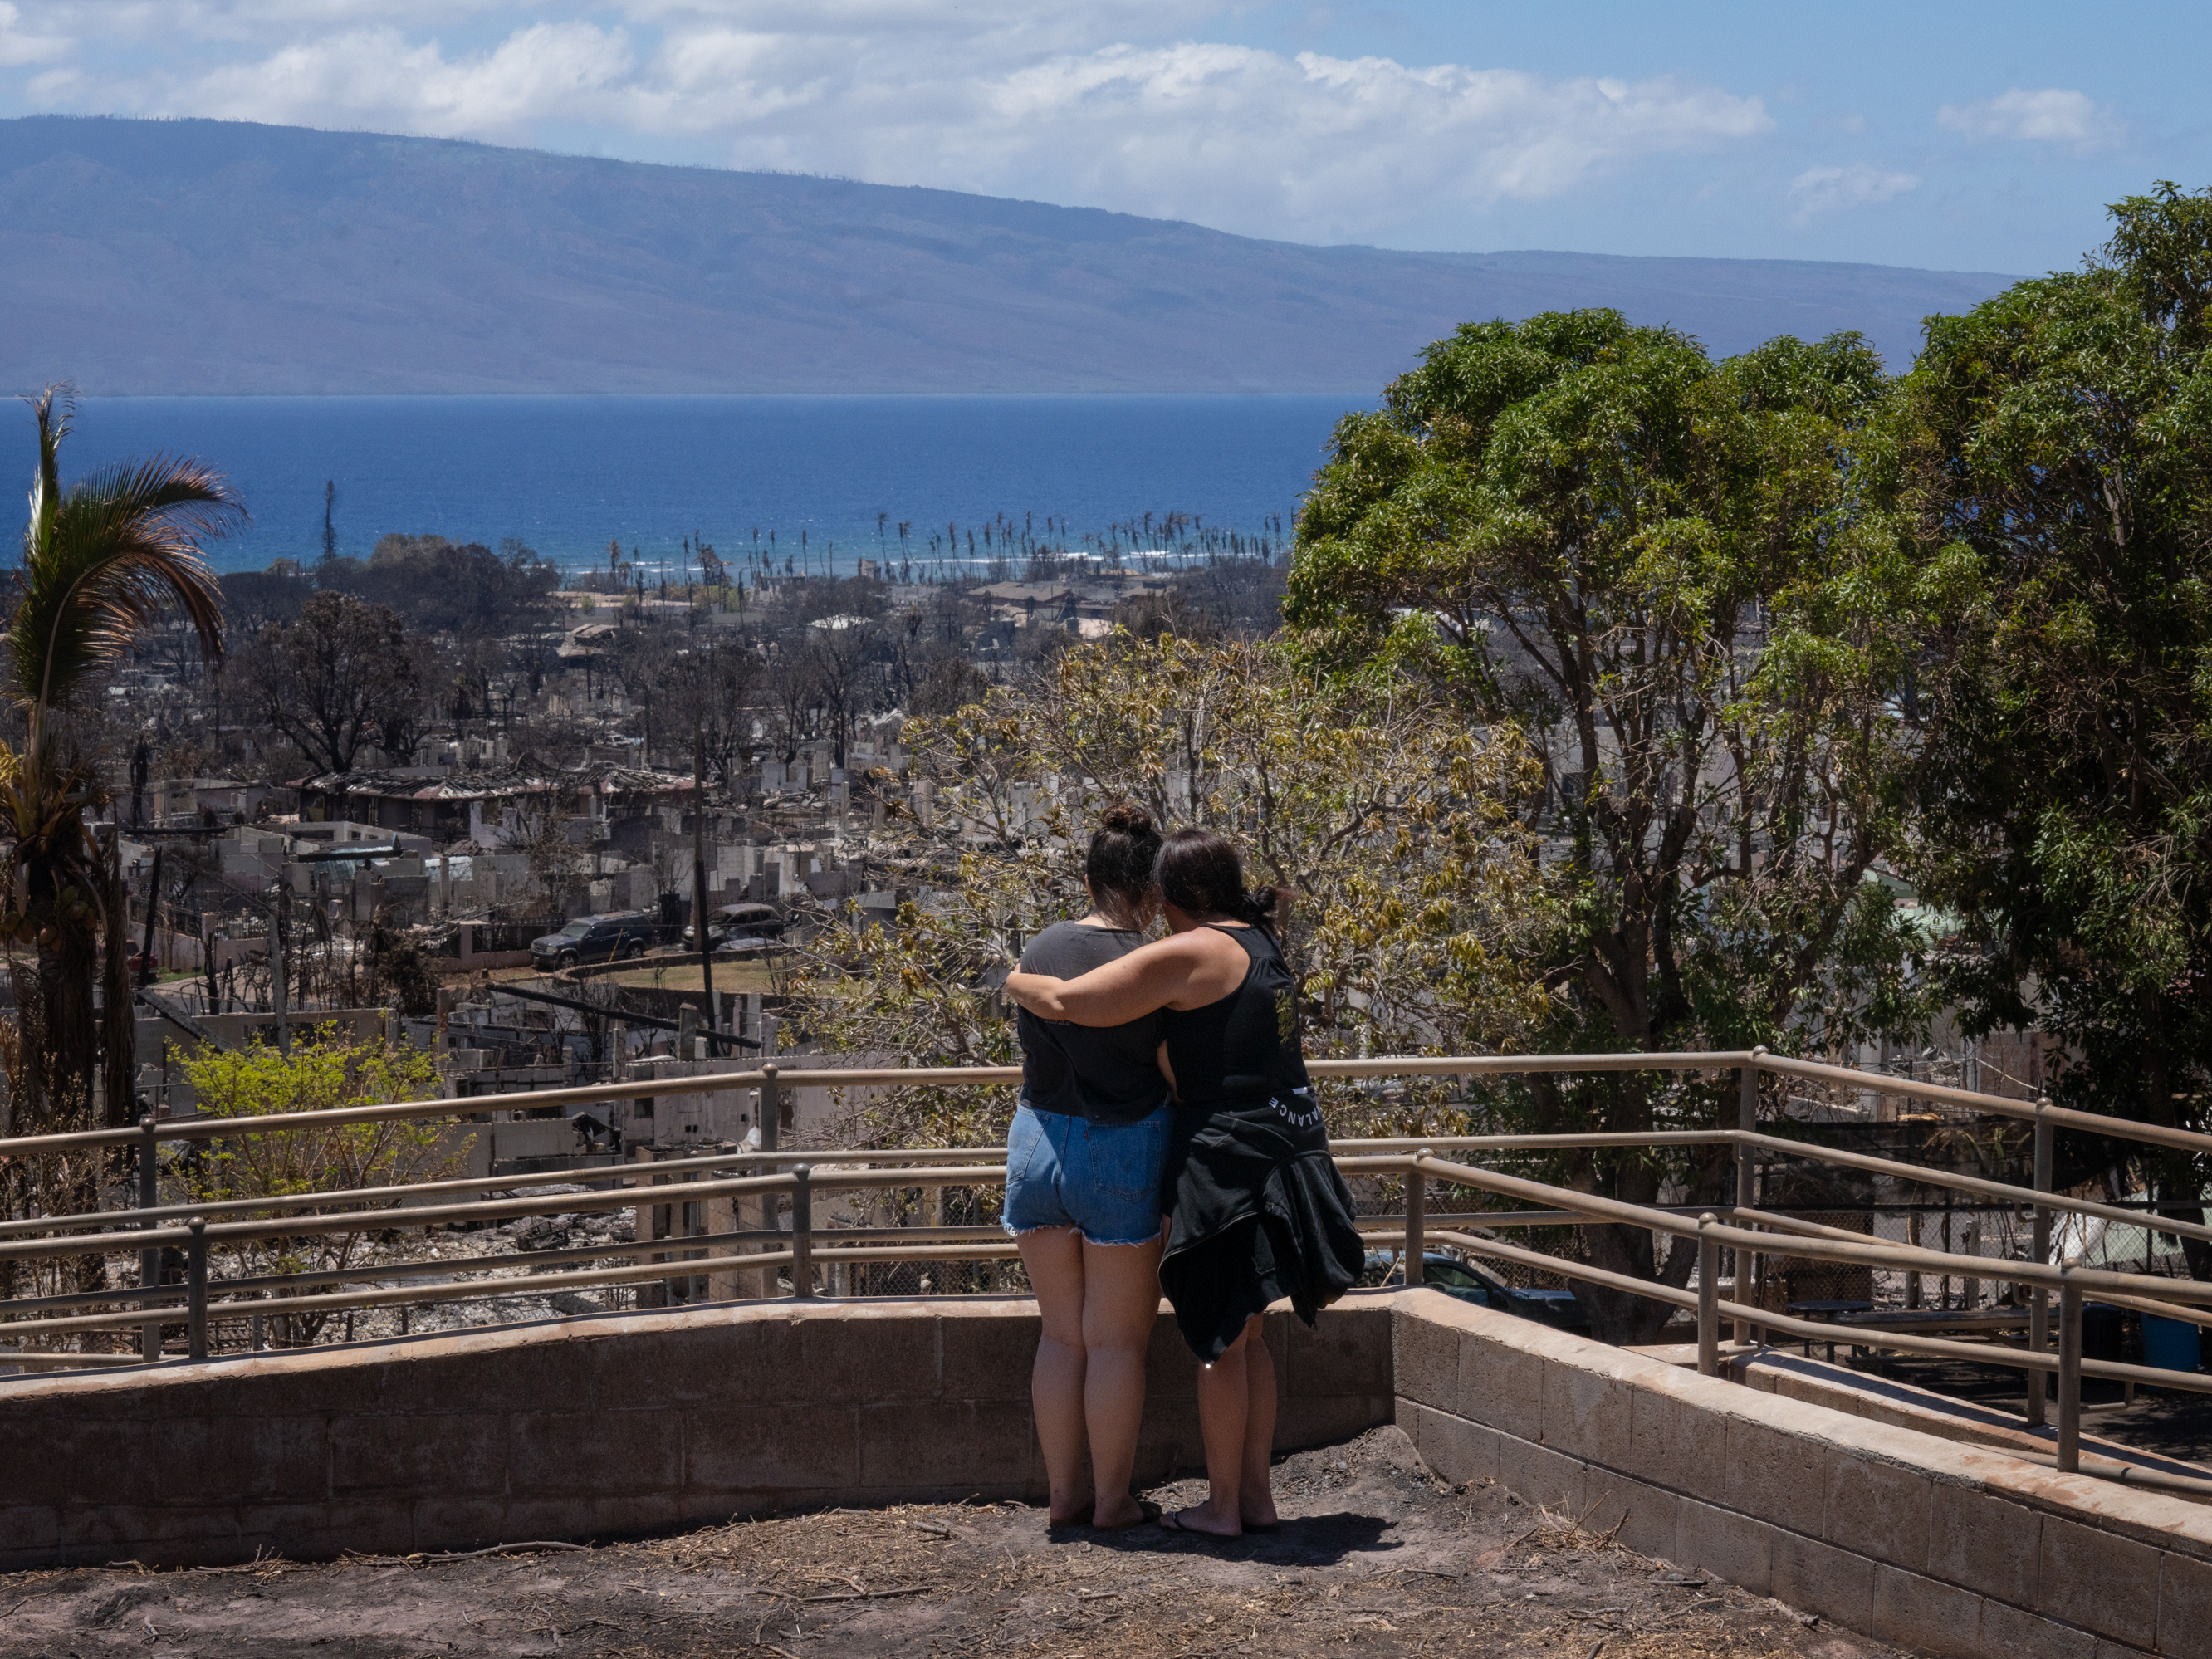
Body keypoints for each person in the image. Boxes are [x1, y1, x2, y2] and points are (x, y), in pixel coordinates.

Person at [1004, 827, 1365, 1539]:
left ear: (1174, 896)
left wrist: (1014, 979)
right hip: (1281, 1151)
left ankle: (1222, 1508)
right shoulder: (1260, 941)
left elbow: (1077, 1002)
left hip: (1221, 1164)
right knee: (1247, 1341)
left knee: (1218, 1342)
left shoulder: (1195, 948)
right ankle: (1249, 1500)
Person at [1001, 800, 1172, 1534]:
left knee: (1060, 1335)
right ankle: (1112, 1502)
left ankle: (1062, 1497)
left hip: (1036, 1142)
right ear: (1153, 894)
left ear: (1088, 878)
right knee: (1115, 1343)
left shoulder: (1039, 950)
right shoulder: (1149, 968)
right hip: (1121, 1147)